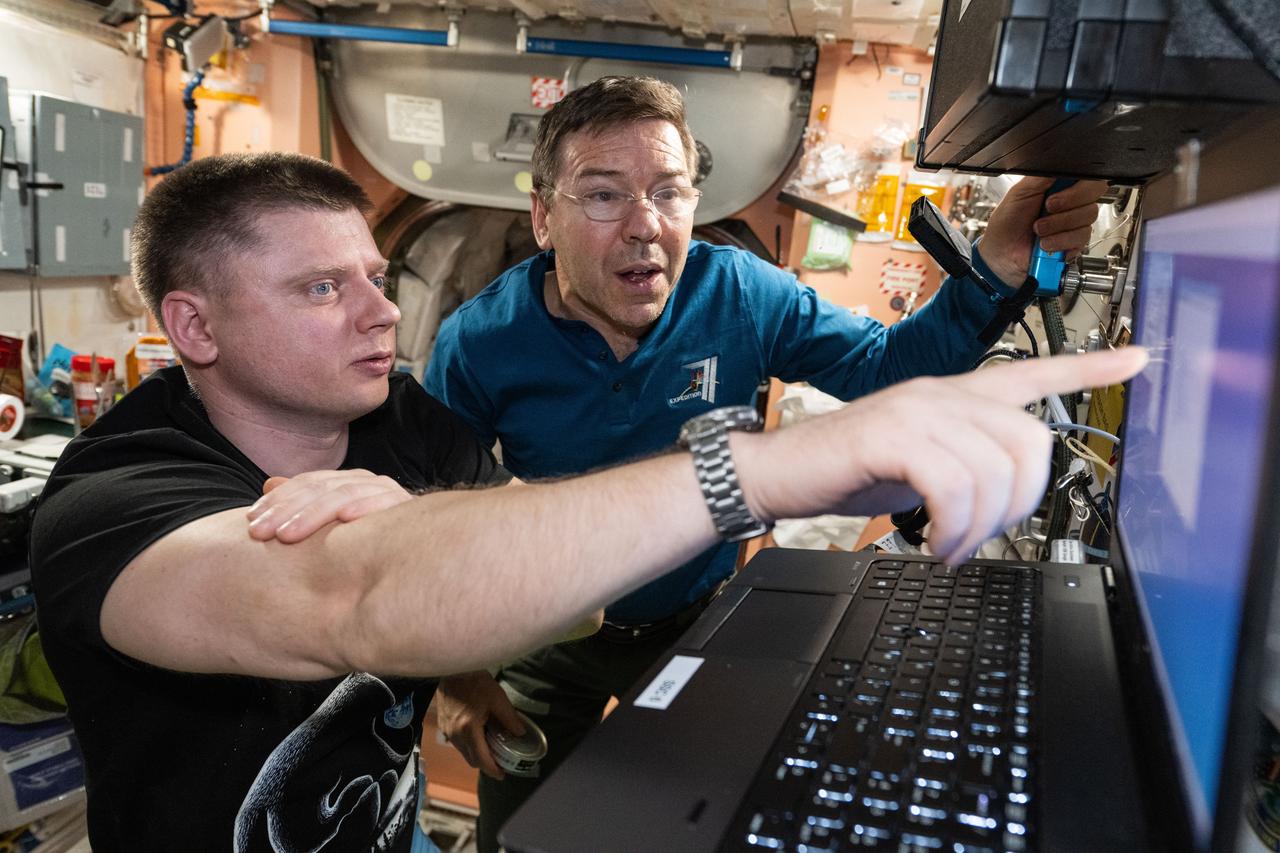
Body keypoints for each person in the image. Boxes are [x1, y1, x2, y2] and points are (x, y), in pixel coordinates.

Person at [28, 151, 1143, 853]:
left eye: (374, 276)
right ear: (195, 328)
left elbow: (558, 610)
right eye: (322, 288)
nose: (377, 313)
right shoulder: (117, 500)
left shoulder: (412, 427)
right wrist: (749, 470)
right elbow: (348, 596)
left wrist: (464, 673)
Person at [420, 75, 1110, 850]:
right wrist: (456, 672)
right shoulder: (479, 344)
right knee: (522, 836)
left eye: (670, 192)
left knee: (708, 826)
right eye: (604, 195)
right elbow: (428, 518)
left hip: (700, 622)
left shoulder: (738, 293)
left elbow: (886, 367)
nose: (647, 226)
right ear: (544, 216)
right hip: (546, 635)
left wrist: (995, 265)